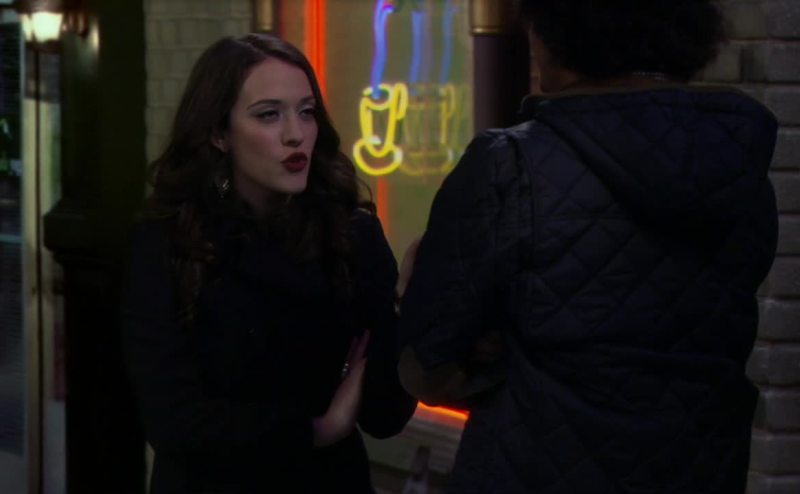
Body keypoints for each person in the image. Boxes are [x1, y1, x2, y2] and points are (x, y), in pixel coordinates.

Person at [396, 1, 779, 492]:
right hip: (700, 470)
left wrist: (487, 342)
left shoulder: (509, 166)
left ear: (560, 34)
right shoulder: (737, 166)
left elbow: (427, 369)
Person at [120, 33, 417, 493]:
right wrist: (315, 430)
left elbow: (386, 417)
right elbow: (174, 422)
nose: (295, 134)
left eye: (306, 111)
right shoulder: (170, 240)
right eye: (269, 115)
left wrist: (404, 308)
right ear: (219, 133)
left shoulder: (350, 234)